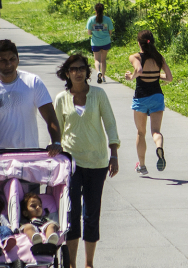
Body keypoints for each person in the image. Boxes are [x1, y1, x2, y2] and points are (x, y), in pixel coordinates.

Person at [54, 54, 119, 267]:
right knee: (72, 216)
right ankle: (72, 263)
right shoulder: (61, 99)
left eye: (82, 68)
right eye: (73, 69)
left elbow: (110, 124)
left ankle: (89, 263)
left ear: (87, 72)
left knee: (91, 215)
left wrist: (114, 154)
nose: (78, 72)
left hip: (97, 163)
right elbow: (58, 132)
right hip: (71, 164)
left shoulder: (98, 95)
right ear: (67, 73)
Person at [0, 39, 63, 159]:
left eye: (12, 59)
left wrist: (56, 142)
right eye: (3, 60)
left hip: (28, 156)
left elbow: (50, 117)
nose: (8, 64)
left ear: (18, 60)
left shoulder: (33, 82)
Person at [123, 30, 172, 175]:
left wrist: (131, 77)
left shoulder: (135, 57)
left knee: (141, 132)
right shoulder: (159, 58)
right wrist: (156, 75)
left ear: (139, 43)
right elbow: (169, 78)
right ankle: (159, 146)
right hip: (157, 96)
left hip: (141, 98)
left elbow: (139, 69)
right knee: (156, 131)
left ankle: (142, 166)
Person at [85, 3, 114, 84]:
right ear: (103, 10)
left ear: (95, 10)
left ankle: (98, 72)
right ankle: (103, 76)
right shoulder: (108, 20)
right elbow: (110, 32)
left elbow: (89, 32)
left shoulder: (91, 20)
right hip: (106, 42)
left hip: (95, 42)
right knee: (103, 60)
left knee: (96, 59)